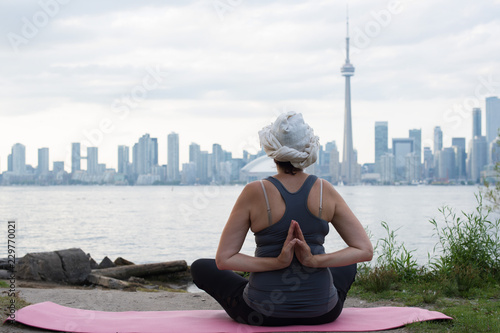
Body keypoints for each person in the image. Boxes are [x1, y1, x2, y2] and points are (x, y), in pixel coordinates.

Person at [191, 111, 373, 326]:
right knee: (347, 264)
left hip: (261, 314)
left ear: (271, 149)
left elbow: (224, 260)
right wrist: (313, 261)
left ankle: (260, 286)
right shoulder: (326, 190)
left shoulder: (254, 191)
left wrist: (276, 263)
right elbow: (364, 250)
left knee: (201, 266)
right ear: (308, 148)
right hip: (322, 313)